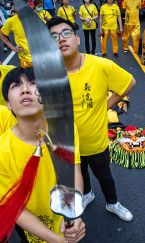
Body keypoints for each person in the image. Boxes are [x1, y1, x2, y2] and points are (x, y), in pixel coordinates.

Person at [47, 16, 136, 221]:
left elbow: (129, 82)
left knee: (104, 176)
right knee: (82, 174)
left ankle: (113, 203)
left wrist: (104, 105)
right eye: (53, 37)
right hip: (71, 144)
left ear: (77, 39)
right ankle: (87, 194)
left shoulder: (101, 65)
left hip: (96, 142)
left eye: (66, 33)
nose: (61, 39)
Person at [0, 67, 85, 243]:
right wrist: (58, 241)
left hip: (62, 215)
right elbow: (16, 208)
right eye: (16, 85)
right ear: (8, 103)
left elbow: (74, 172)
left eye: (33, 83)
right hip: (30, 221)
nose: (25, 89)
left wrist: (74, 216)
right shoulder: (2, 151)